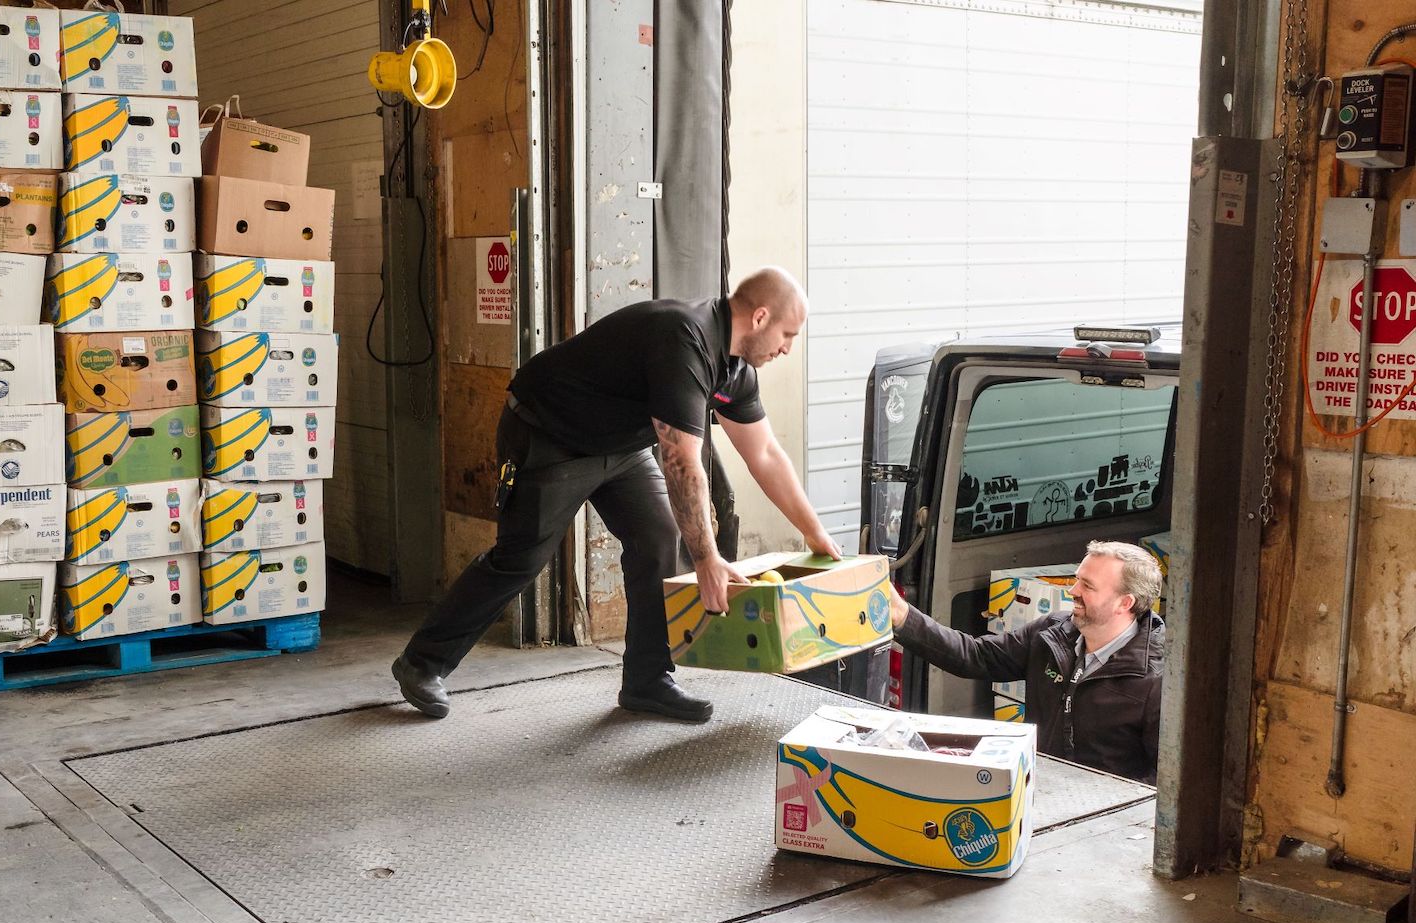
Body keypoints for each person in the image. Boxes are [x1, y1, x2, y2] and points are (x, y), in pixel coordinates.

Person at [391, 267, 844, 723]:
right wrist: (706, 561)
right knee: (521, 559)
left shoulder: (737, 369)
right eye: (788, 334)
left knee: (658, 539)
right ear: (761, 317)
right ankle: (422, 663)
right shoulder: (685, 338)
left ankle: (648, 681)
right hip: (550, 433)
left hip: (620, 447)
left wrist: (815, 534)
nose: (788, 347)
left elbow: (764, 453)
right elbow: (682, 462)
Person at [887, 541, 1164, 783]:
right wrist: (904, 617)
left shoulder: (1157, 680)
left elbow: (1160, 781)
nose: (1073, 591)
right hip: (1038, 791)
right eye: (1077, 579)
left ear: (1124, 603)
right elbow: (976, 656)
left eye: (1087, 586)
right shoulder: (1053, 632)